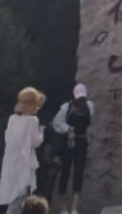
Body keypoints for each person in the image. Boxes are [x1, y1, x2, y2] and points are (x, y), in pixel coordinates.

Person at [0, 88, 46, 214]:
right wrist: (42, 132)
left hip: (10, 161)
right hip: (24, 163)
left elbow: (7, 138)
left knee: (13, 195)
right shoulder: (32, 120)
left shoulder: (12, 119)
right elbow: (35, 142)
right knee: (22, 196)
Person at [53, 85, 95, 214]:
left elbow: (90, 122)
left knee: (78, 173)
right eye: (79, 98)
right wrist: (67, 128)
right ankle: (62, 205)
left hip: (82, 142)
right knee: (65, 172)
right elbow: (56, 122)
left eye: (83, 98)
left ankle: (75, 206)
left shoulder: (90, 106)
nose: (81, 101)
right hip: (68, 142)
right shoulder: (67, 108)